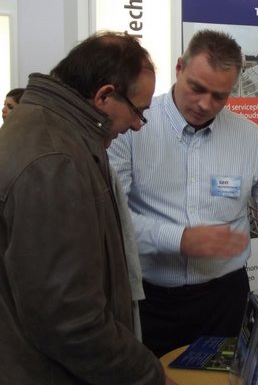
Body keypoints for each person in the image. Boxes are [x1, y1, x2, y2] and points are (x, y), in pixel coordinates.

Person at [0, 32, 175, 385]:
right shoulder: (54, 160)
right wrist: (148, 376)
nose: (137, 125)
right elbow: (68, 320)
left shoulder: (47, 130)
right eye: (138, 112)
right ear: (104, 96)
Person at [108, 29, 258, 357]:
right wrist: (179, 239)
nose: (205, 104)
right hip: (149, 300)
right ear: (179, 68)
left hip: (224, 300)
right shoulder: (132, 127)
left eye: (219, 96)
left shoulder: (249, 137)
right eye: (197, 88)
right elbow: (112, 218)